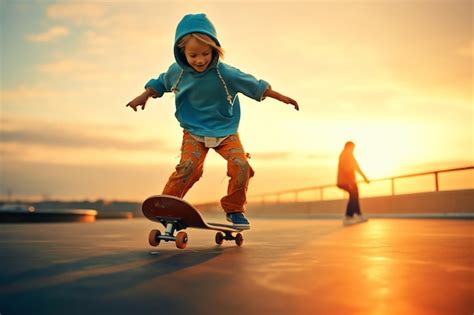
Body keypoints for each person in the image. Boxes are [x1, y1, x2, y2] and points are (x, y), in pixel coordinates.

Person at [126, 13, 299, 230]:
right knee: (189, 167)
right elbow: (160, 83)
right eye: (193, 55)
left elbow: (254, 85)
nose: (200, 60)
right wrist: (144, 96)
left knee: (241, 165)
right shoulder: (177, 72)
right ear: (182, 53)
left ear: (214, 50)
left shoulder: (225, 73)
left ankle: (235, 209)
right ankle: (168, 204)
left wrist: (281, 97)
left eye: (205, 54)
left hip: (226, 131)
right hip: (193, 131)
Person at [337, 141, 370, 225]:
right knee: (353, 194)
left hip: (350, 181)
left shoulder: (349, 155)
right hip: (346, 181)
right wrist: (350, 181)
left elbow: (356, 167)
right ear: (348, 147)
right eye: (352, 147)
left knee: (354, 195)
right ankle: (348, 216)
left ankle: (357, 215)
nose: (353, 149)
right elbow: (346, 168)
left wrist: (364, 178)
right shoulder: (345, 154)